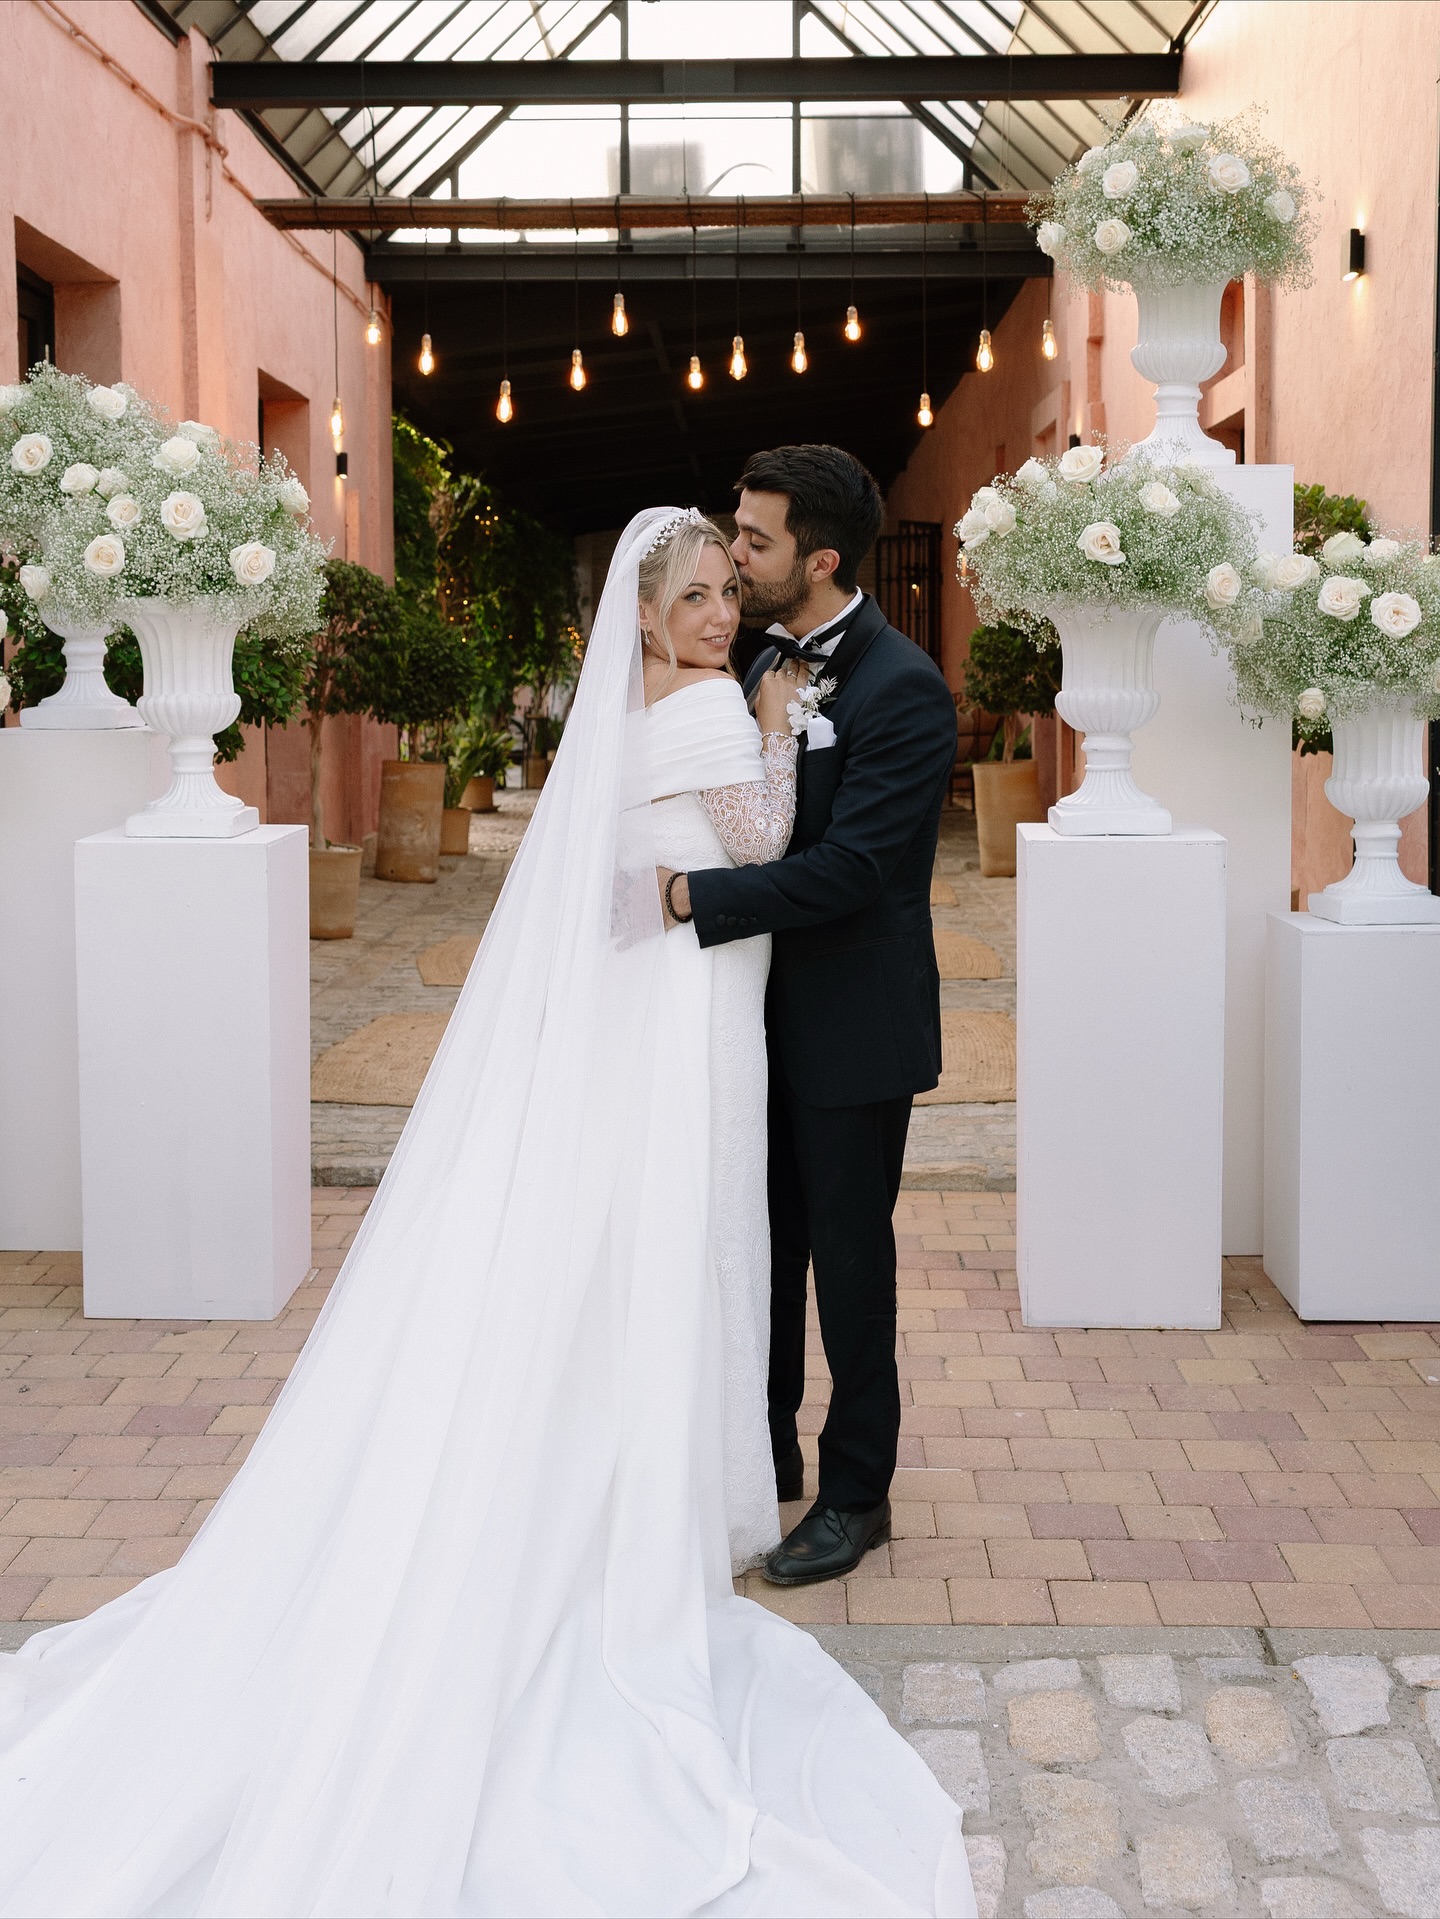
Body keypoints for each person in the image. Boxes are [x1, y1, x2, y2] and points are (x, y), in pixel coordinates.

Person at [0, 505, 975, 1918]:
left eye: (731, 584)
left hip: (651, 994)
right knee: (686, 1238)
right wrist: (773, 724)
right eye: (699, 595)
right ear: (648, 617)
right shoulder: (722, 701)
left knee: (642, 1234)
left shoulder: (621, 714)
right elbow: (766, 833)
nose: (723, 611)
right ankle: (666, 1481)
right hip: (692, 1003)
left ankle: (663, 1453)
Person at [661, 447, 958, 1589]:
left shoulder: (903, 687)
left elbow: (854, 871)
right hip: (748, 1018)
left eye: (756, 539)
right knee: (761, 1245)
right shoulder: (748, 662)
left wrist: (694, 898)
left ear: (820, 559)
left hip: (853, 1026)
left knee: (848, 1262)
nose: (735, 554)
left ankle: (856, 1494)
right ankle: (767, 1453)